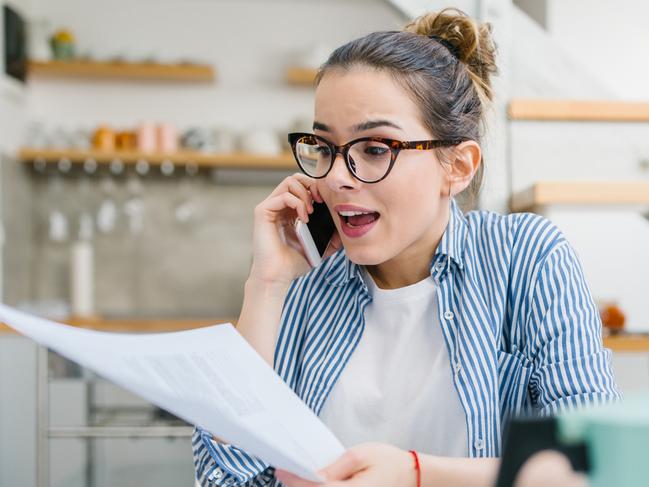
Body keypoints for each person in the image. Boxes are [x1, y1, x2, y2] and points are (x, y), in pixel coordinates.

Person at [192, 8, 620, 487]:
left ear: (457, 167)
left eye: (375, 149)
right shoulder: (305, 281)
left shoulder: (526, 258)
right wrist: (265, 285)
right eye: (325, 147)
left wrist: (417, 473)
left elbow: (595, 463)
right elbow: (225, 478)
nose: (335, 178)